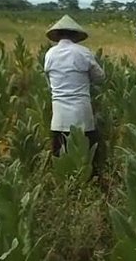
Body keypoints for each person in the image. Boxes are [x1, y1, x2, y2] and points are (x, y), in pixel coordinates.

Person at [44, 14, 106, 176]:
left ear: (57, 35)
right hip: (81, 111)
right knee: (86, 152)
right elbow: (100, 77)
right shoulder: (83, 52)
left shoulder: (50, 54)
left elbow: (49, 82)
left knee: (60, 153)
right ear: (75, 35)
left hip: (59, 114)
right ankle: (89, 183)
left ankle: (63, 184)